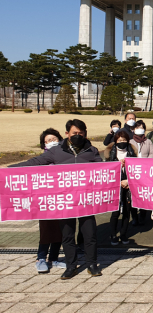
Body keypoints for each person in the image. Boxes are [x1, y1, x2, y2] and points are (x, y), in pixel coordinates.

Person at [11, 119, 103, 279]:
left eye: (81, 133)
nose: (78, 136)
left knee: (89, 234)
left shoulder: (92, 150)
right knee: (67, 235)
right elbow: (35, 162)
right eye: (75, 133)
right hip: (65, 200)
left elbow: (102, 170)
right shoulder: (57, 151)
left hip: (85, 200)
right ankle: (71, 266)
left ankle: (92, 264)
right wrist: (10, 170)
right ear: (67, 134)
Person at [35, 129, 66, 273]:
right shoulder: (40, 160)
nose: (51, 142)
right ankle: (41, 258)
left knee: (60, 230)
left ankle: (53, 258)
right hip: (45, 201)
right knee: (46, 230)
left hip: (61, 199)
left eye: (54, 139)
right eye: (47, 141)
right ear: (43, 144)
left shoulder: (64, 157)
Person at [107, 130, 137, 246]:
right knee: (115, 212)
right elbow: (108, 171)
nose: (122, 142)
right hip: (115, 185)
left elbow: (136, 170)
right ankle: (113, 234)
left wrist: (128, 181)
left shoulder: (131, 151)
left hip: (128, 185)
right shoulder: (110, 153)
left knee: (127, 211)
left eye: (124, 140)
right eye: (120, 140)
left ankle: (123, 233)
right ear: (115, 141)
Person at [130, 120, 153, 226]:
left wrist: (146, 165)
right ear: (133, 129)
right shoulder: (130, 142)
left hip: (145, 172)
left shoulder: (148, 142)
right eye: (138, 127)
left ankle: (143, 216)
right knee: (133, 195)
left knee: (143, 194)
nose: (140, 129)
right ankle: (134, 217)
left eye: (142, 127)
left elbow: (151, 154)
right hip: (133, 172)